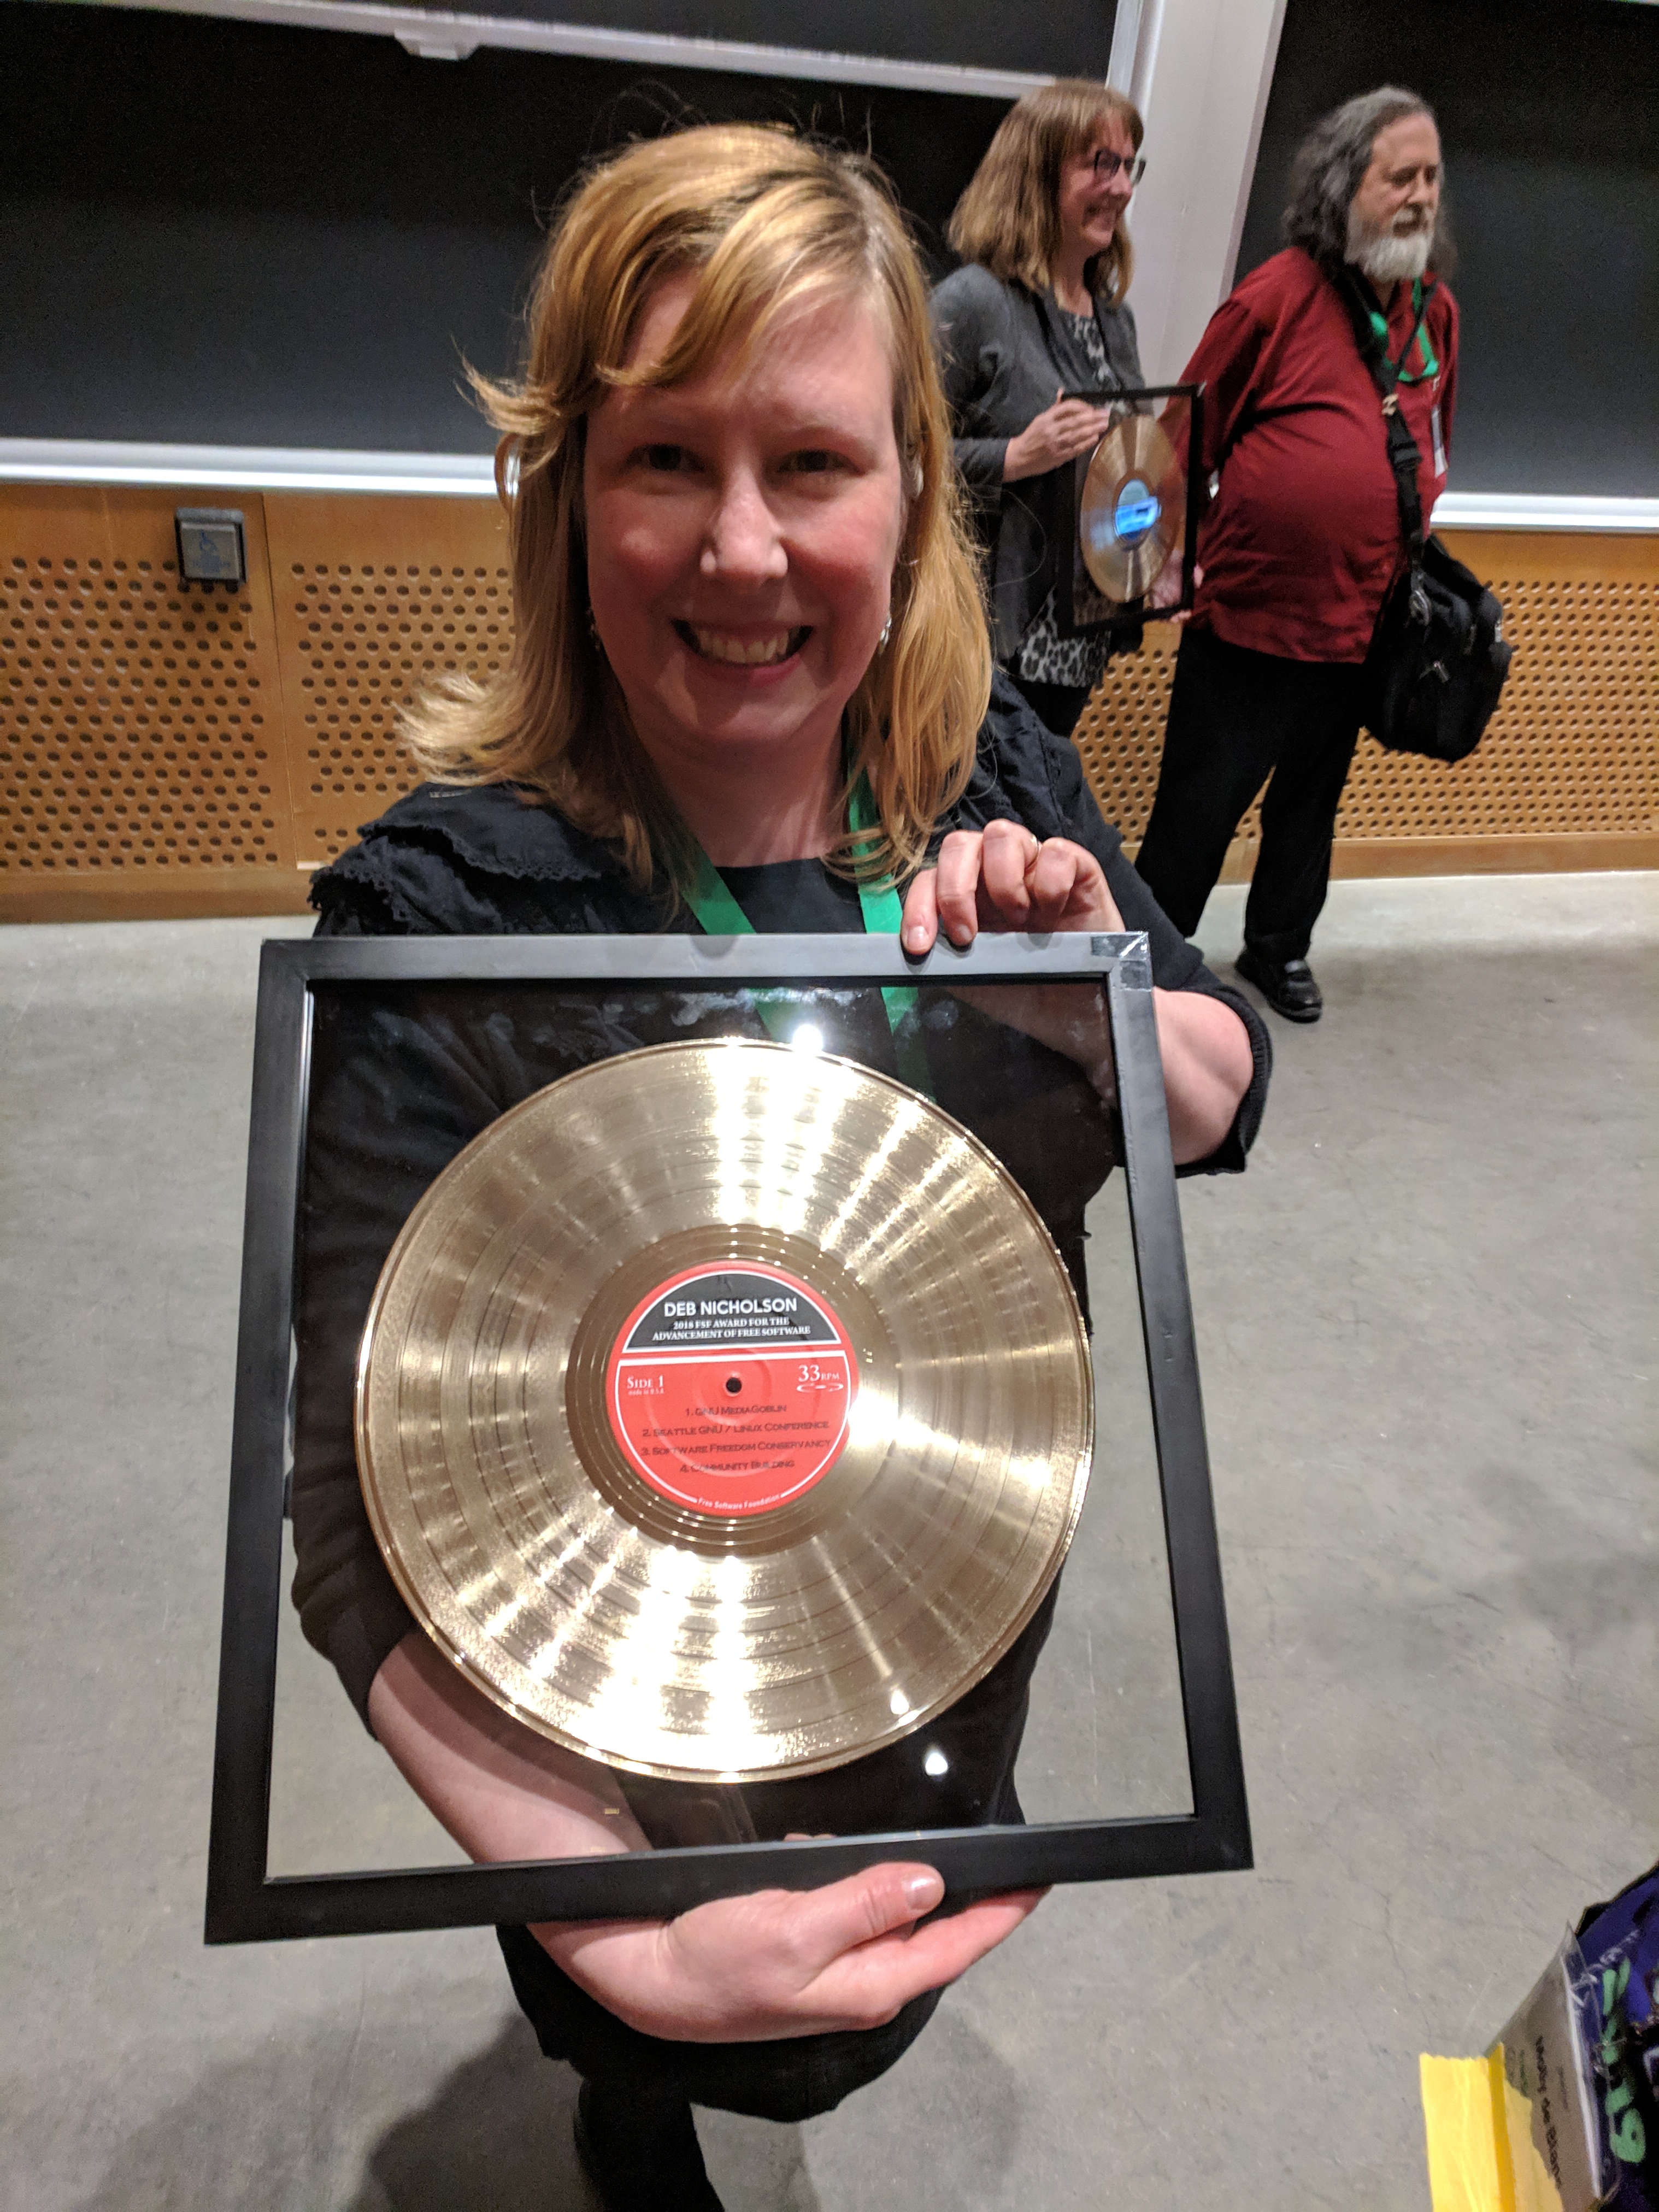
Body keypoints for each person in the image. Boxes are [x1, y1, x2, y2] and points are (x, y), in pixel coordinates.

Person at [290, 124, 1269, 2211]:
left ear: (913, 488)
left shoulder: (994, 786)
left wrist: (1079, 996)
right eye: (667, 458)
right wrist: (613, 1933)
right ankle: (622, 2108)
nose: (742, 549)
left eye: (812, 462)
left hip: (930, 1588)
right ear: (570, 493)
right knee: (646, 2052)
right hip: (590, 1690)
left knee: (858, 1979)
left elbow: (1218, 1090)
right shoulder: (447, 915)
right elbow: (355, 1525)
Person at [1133, 86, 1459, 1024]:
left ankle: (1277, 949)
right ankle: (1147, 972)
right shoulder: (1272, 301)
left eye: (1432, 178)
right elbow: (1176, 444)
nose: (1421, 197)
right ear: (1342, 187)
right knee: (1197, 812)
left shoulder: (1435, 314)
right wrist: (1165, 559)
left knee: (1311, 808)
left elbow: (1433, 439)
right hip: (1250, 627)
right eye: (1400, 178)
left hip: (1363, 627)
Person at [929, 80, 1151, 742]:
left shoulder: (1115, 321)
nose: (1121, 188)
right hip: (986, 642)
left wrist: (1161, 540)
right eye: (1101, 164)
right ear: (1036, 173)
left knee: (1036, 799)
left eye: (1129, 166)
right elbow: (894, 461)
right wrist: (1016, 457)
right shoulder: (972, 303)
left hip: (1081, 637)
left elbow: (1126, 464)